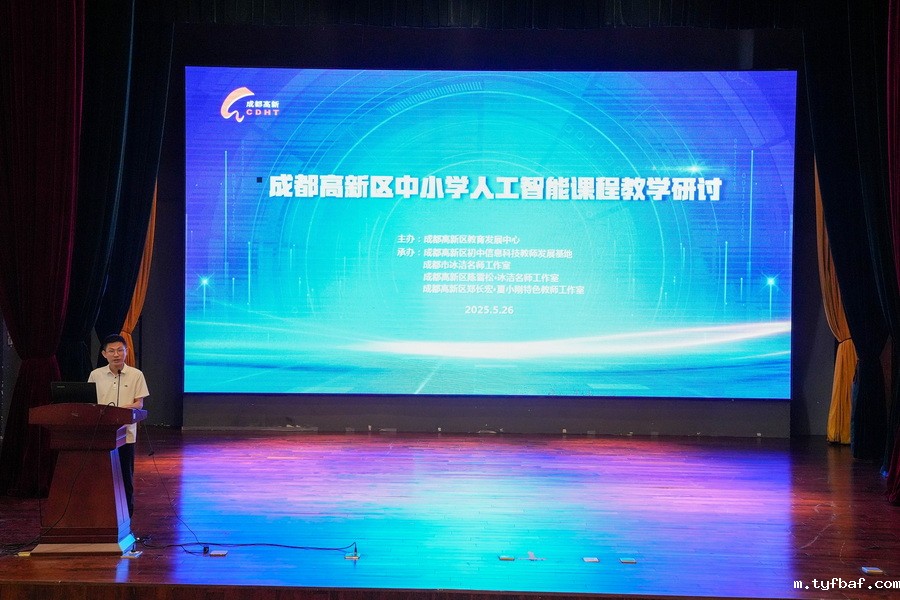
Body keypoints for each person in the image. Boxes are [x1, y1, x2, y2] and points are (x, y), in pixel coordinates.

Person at [88, 334, 149, 518]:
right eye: (112, 351)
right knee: (100, 477)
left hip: (126, 435)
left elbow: (139, 404)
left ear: (126, 351)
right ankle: (101, 517)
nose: (116, 355)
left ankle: (126, 518)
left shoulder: (136, 375)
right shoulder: (96, 375)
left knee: (125, 478)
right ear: (104, 354)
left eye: (120, 350)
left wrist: (123, 409)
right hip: (101, 434)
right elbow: (91, 403)